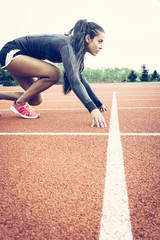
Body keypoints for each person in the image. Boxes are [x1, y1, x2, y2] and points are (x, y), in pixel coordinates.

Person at [0, 19, 107, 128]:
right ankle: (19, 104)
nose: (101, 47)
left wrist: (97, 103)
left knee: (36, 99)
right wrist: (92, 109)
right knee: (54, 73)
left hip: (21, 58)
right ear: (88, 38)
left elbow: (79, 78)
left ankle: (13, 99)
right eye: (100, 41)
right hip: (12, 53)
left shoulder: (75, 51)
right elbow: (74, 82)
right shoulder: (68, 46)